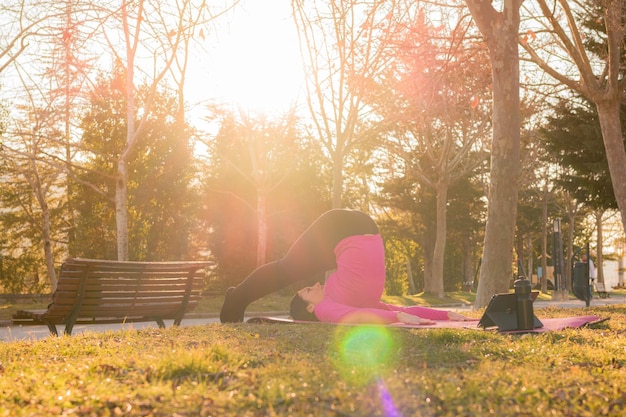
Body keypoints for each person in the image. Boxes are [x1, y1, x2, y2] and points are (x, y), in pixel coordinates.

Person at [220, 208, 472, 324]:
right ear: (312, 307)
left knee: (287, 269)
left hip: (347, 229)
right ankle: (236, 299)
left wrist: (398, 317)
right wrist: (444, 314)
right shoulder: (347, 305)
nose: (315, 284)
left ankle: (236, 299)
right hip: (359, 231)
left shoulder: (329, 305)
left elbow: (360, 316)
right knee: (287, 269)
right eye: (308, 290)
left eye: (306, 289)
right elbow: (379, 312)